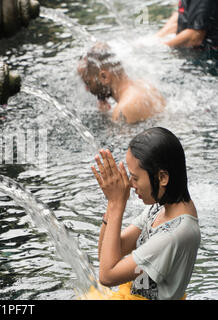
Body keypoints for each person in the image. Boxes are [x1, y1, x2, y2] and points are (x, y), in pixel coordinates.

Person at [91, 127, 200, 300]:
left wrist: (117, 203)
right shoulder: (160, 207)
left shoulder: (174, 235)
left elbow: (107, 276)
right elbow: (107, 255)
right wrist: (112, 205)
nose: (131, 185)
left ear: (162, 178)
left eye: (135, 178)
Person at [78, 43, 166, 124]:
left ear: (104, 77)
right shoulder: (145, 85)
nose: (86, 88)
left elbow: (122, 140)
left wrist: (106, 118)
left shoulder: (123, 109)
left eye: (88, 82)